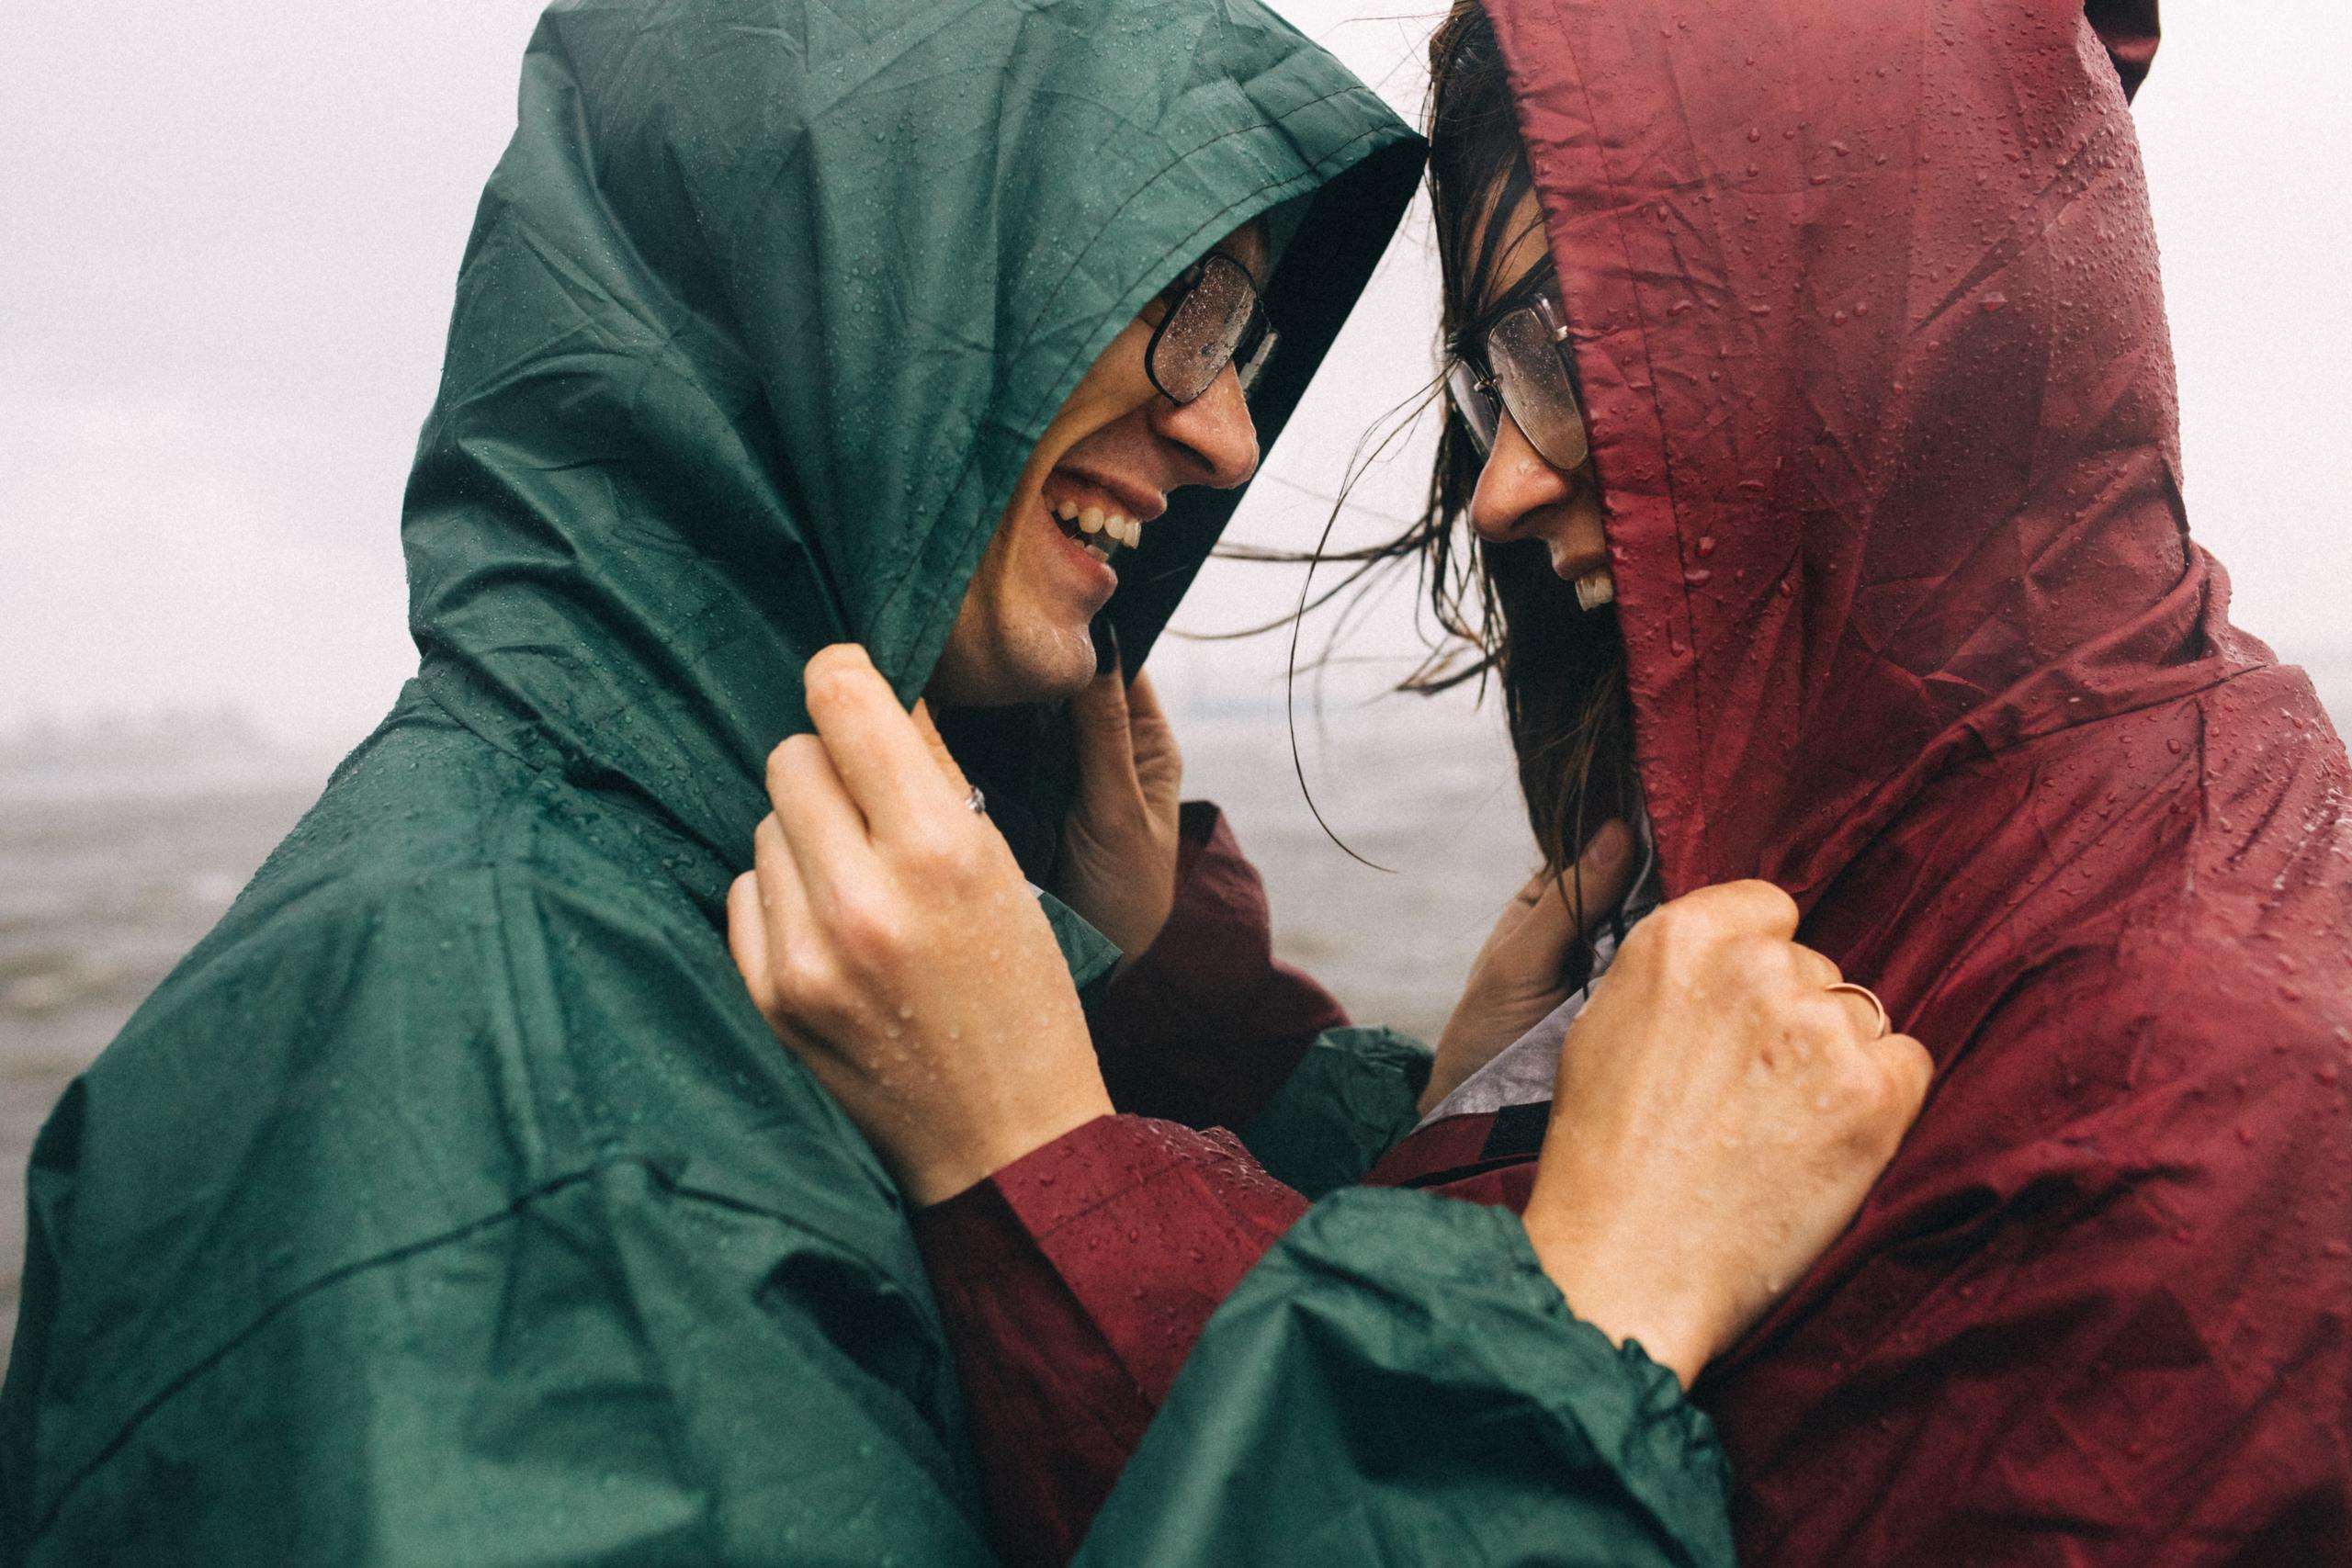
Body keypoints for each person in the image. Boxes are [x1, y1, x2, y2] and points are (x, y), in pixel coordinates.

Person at [0, 1, 1923, 1565]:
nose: (1225, 423)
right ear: (848, 281)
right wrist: (1564, 1338)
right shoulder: (497, 1108)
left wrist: (1290, 1081)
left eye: (1244, 333)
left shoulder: (713, 921)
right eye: (1170, 304)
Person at [730, 0, 2352, 1564]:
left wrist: (1036, 1162)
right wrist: (1205, 1019)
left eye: (1576, 353)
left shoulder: (2183, 1115)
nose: (1502, 483)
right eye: (1492, 377)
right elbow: (1559, 1299)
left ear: (1855, 338)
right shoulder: (1963, 813)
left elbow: (1541, 1430)